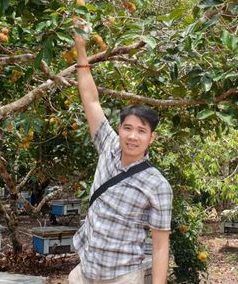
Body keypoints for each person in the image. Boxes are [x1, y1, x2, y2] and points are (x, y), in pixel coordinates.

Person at [68, 25, 173, 284]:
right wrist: (81, 51)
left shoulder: (157, 185)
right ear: (119, 130)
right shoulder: (108, 146)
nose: (133, 136)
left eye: (141, 131)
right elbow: (90, 100)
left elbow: (160, 246)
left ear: (152, 138)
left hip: (122, 277)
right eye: (128, 128)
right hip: (86, 272)